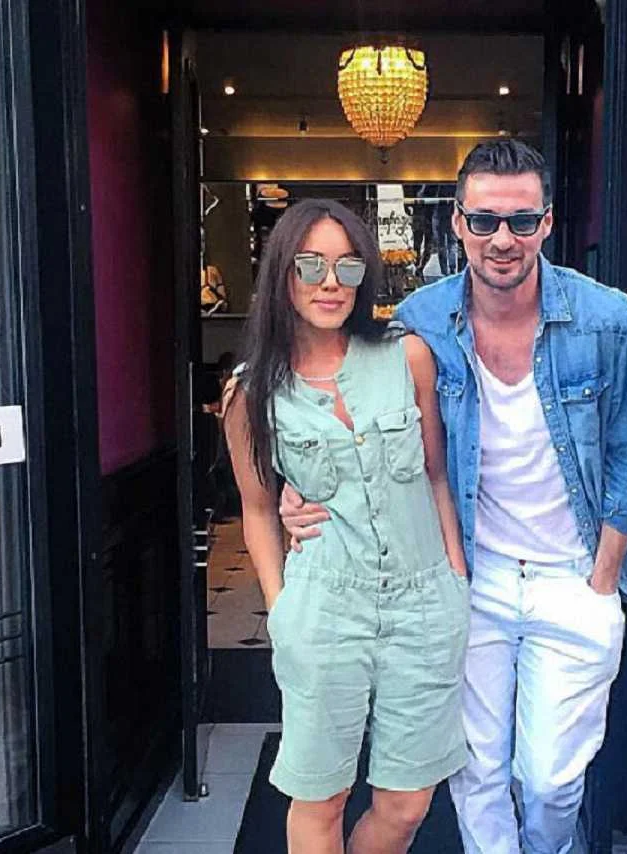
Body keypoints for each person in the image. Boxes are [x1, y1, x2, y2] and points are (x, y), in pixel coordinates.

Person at [281, 140, 627, 854]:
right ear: (458, 223)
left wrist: (605, 571)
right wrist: (294, 489)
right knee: (475, 772)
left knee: (549, 779)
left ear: (547, 223)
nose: (502, 240)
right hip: (471, 579)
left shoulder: (607, 319)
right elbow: (358, 416)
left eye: (521, 221)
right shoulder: (419, 320)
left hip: (572, 577)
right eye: (484, 221)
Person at [222, 198, 471, 854]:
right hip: (325, 610)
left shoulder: (407, 357)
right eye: (311, 265)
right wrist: (281, 610)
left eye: (347, 267)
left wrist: (455, 578)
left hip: (423, 608)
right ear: (282, 271)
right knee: (321, 797)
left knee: (407, 803)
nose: (330, 282)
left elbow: (436, 476)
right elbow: (257, 508)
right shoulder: (251, 393)